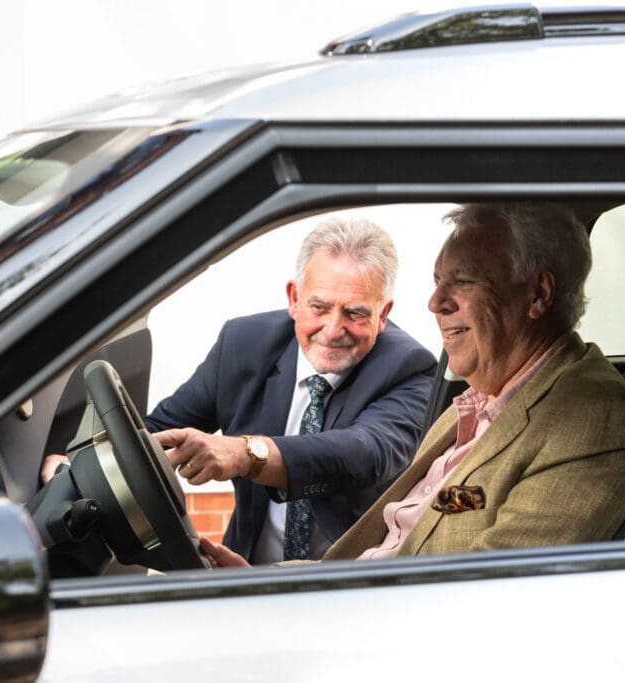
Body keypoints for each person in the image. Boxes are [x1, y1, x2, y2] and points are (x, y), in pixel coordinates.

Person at [200, 202, 625, 568]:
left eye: (461, 281)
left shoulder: (592, 422)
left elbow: (488, 595)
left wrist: (290, 611)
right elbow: (389, 554)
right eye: (439, 282)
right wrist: (263, 585)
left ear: (537, 294)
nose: (435, 302)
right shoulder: (478, 403)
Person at [42, 216, 436, 563]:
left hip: (351, 585)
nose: (333, 331)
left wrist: (247, 454)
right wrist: (79, 466)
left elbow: (363, 454)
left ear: (383, 315)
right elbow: (156, 430)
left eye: (355, 313)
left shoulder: (409, 368)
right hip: (244, 569)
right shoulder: (243, 344)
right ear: (294, 298)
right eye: (319, 307)